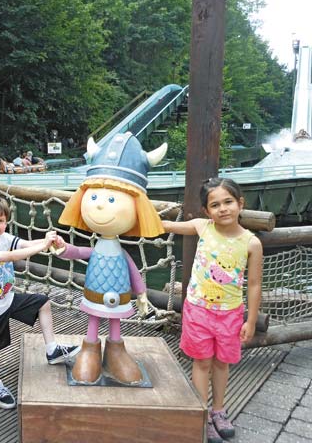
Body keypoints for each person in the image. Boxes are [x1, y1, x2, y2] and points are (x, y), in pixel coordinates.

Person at [55, 133, 166, 384]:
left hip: (118, 293)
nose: (99, 205)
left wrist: (142, 293)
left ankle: (115, 351)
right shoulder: (98, 248)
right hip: (95, 291)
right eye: (93, 197)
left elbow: (132, 270)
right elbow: (81, 252)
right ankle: (90, 349)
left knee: (115, 320)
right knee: (94, 317)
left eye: (112, 199)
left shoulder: (120, 251)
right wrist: (64, 249)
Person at [161, 177, 263, 443]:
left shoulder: (251, 243)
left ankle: (218, 409)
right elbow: (165, 225)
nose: (223, 208)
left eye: (228, 202)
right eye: (215, 205)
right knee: (202, 361)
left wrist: (251, 320)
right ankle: (202, 414)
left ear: (240, 203)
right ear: (206, 211)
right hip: (198, 310)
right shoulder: (202, 227)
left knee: (221, 362)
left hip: (230, 313)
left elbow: (254, 284)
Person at [0, 194, 80, 409]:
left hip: (7, 298)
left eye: (0, 220)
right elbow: (13, 256)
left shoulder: (3, 237)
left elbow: (27, 244)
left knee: (43, 302)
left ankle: (52, 349)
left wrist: (50, 240)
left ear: (6, 221)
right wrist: (43, 246)